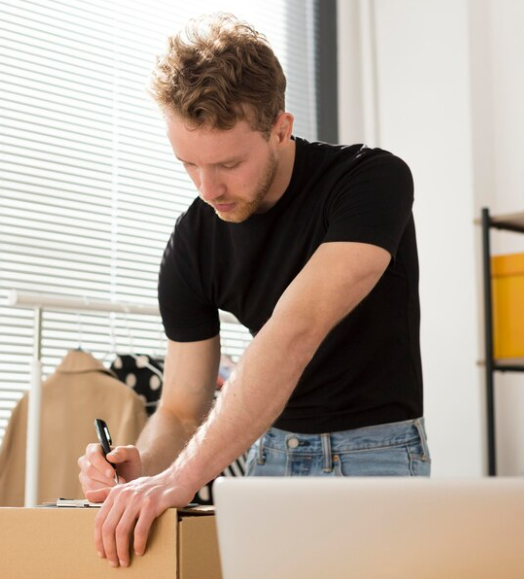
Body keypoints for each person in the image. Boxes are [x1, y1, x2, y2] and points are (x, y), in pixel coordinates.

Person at [77, 13, 428, 569]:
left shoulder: (371, 182)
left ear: (281, 128)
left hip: (377, 452)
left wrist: (178, 481)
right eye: (188, 164)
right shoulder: (194, 240)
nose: (208, 189)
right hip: (272, 459)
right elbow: (181, 408)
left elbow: (295, 330)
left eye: (229, 164)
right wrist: (141, 466)